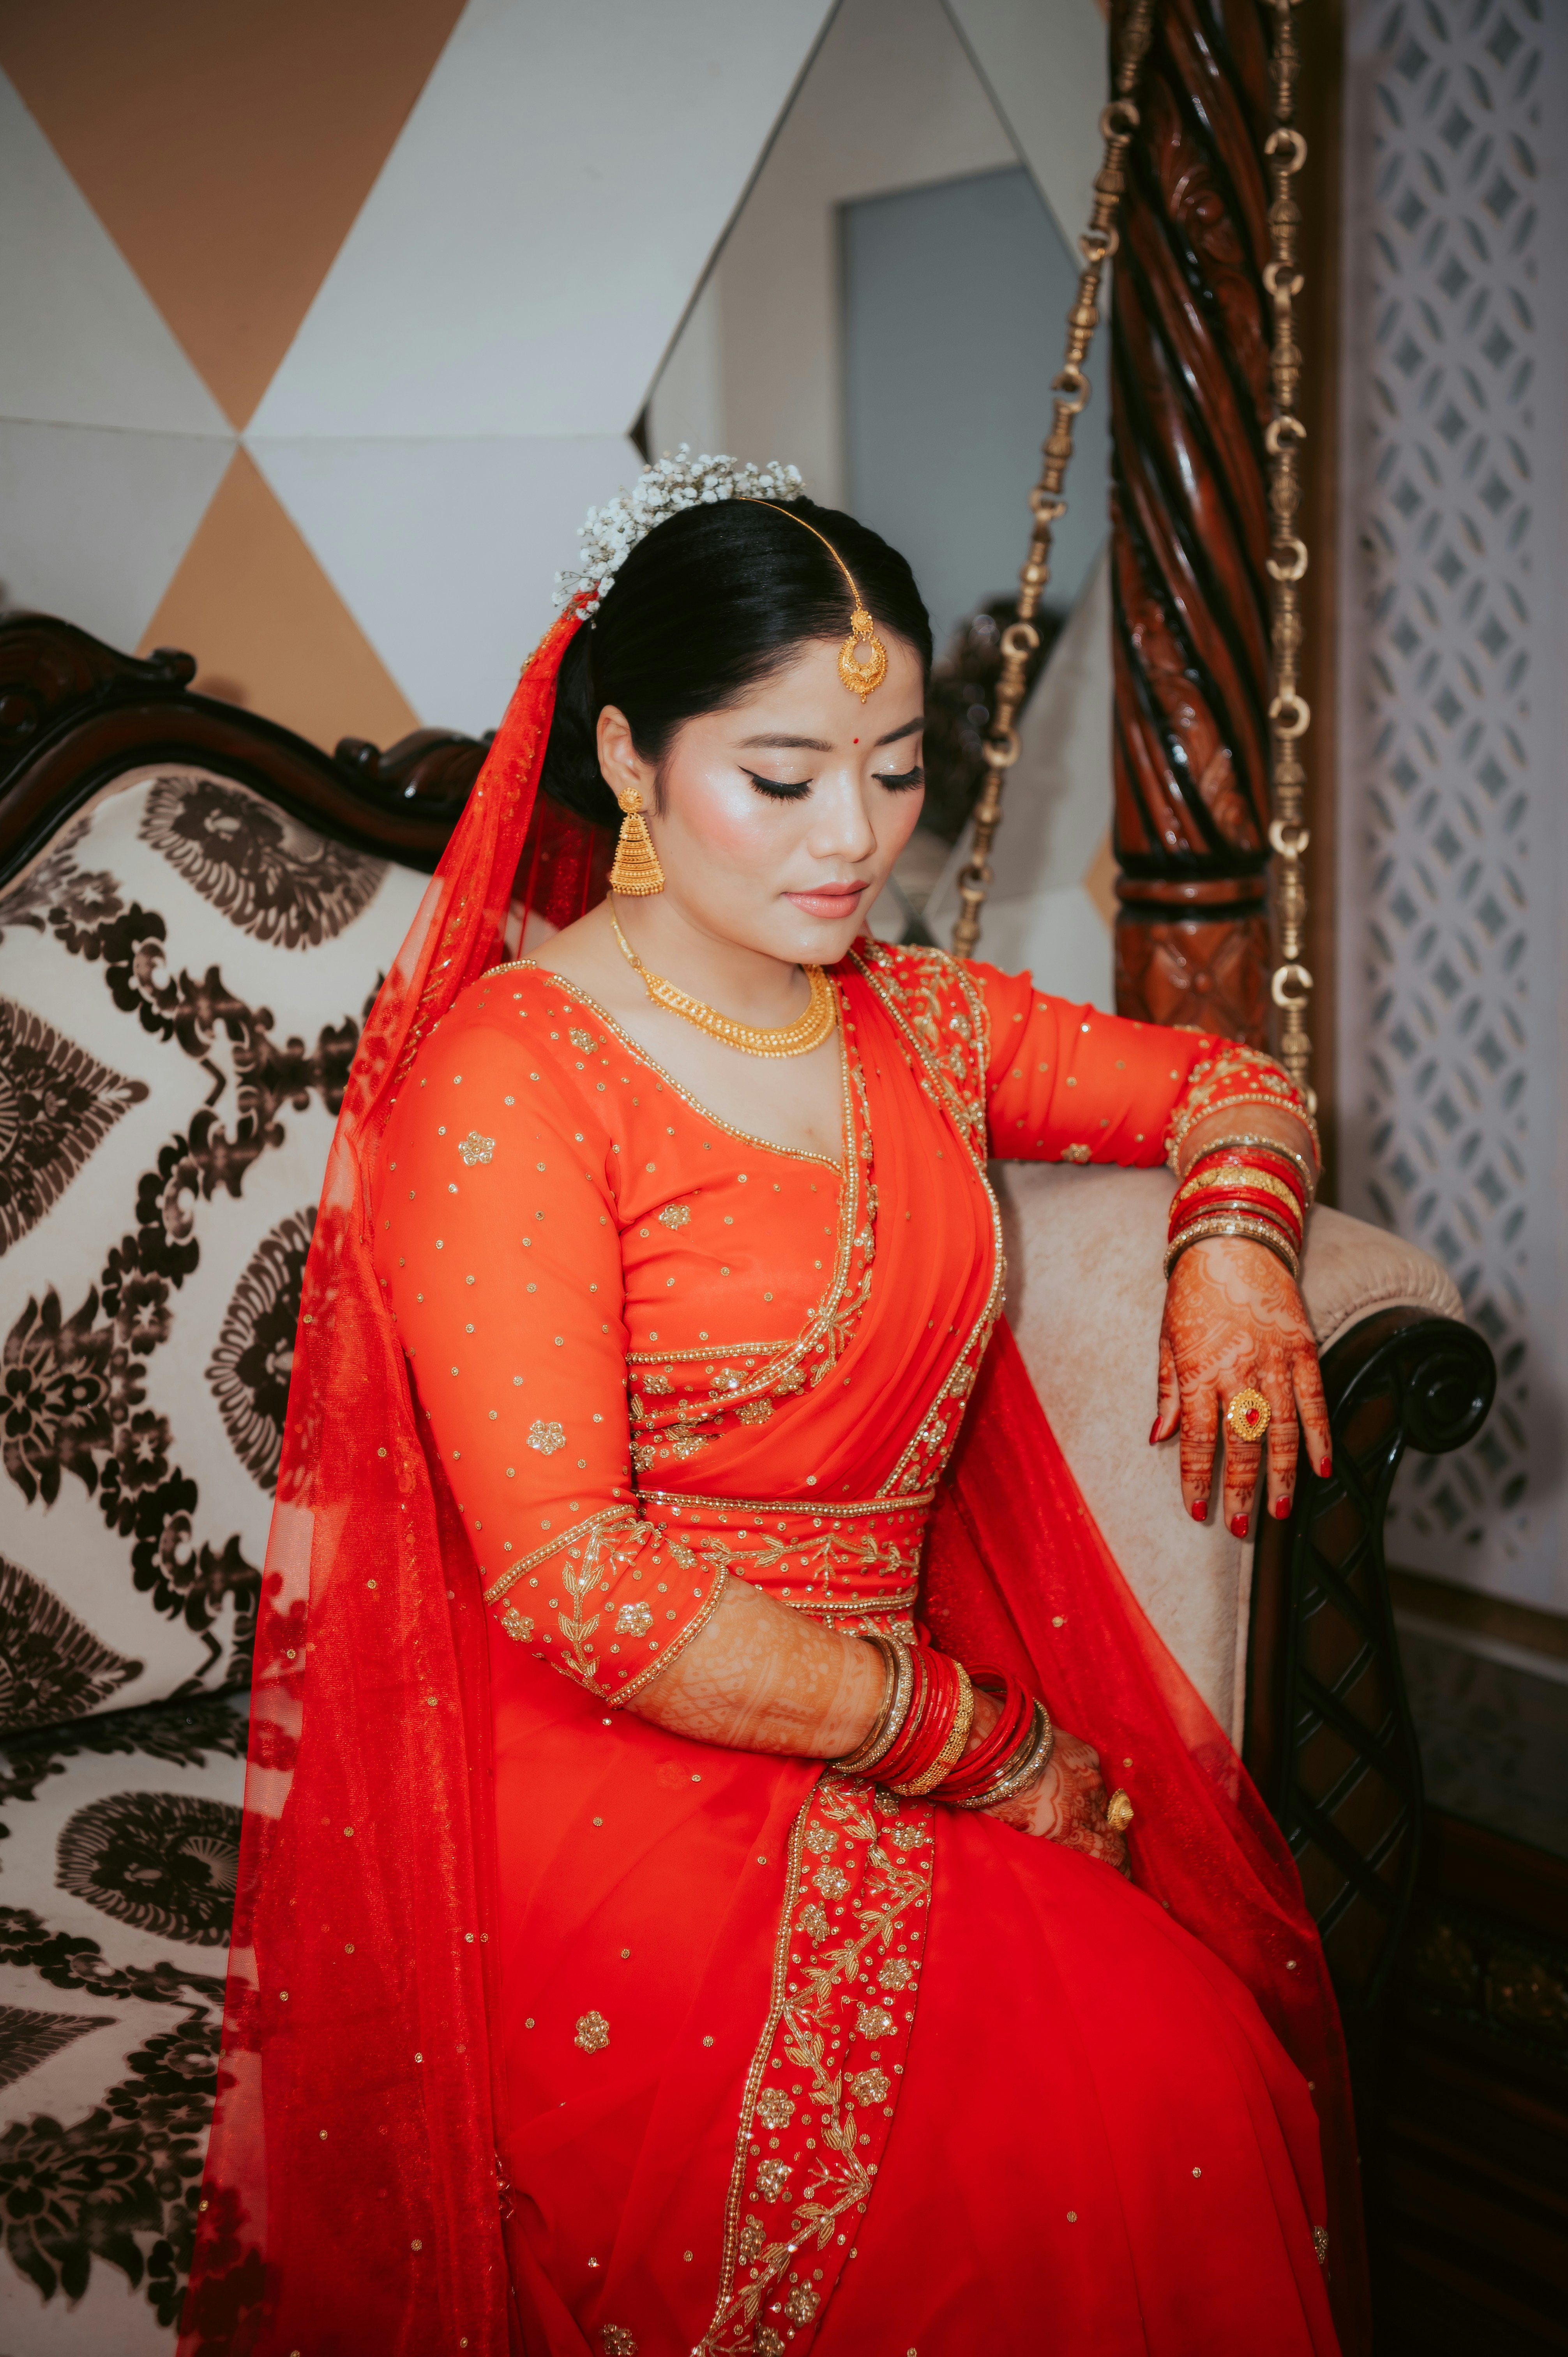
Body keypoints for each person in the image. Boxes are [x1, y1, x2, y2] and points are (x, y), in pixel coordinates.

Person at [181, 457, 1365, 2357]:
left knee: (1184, 2068)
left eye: (894, 767)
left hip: (884, 1717)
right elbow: (577, 1584)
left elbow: (1230, 1081)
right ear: (633, 763)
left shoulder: (918, 1016)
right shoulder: (515, 1080)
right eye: (785, 776)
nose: (855, 839)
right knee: (1064, 2118)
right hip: (608, 1762)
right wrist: (981, 1747)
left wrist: (1230, 1247)